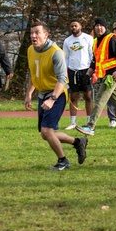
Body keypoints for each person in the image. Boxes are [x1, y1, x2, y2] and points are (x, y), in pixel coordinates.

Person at [23, 21, 89, 171]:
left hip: (57, 94)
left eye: (37, 33)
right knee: (46, 134)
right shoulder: (30, 50)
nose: (33, 36)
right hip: (42, 94)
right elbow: (34, 74)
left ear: (45, 35)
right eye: (32, 33)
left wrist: (52, 99)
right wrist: (28, 93)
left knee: (46, 131)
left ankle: (63, 161)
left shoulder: (56, 52)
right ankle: (78, 142)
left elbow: (62, 79)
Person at [79, 17, 116, 135]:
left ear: (105, 27)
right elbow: (95, 61)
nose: (99, 28)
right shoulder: (95, 41)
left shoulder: (111, 39)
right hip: (104, 75)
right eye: (97, 26)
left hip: (112, 76)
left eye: (101, 25)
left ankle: (91, 126)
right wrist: (88, 74)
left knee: (100, 100)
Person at [62, 19, 94, 131]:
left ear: (80, 26)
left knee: (88, 96)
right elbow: (65, 57)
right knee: (74, 96)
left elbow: (91, 54)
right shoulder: (67, 41)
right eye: (71, 26)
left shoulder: (88, 38)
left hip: (85, 70)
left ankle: (89, 121)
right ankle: (73, 122)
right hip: (73, 71)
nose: (73, 28)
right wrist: (65, 72)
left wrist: (92, 70)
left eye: (75, 25)